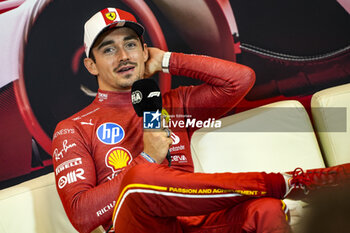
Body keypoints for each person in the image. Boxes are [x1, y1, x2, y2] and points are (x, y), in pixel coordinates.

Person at [52, 7, 350, 233]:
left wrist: (167, 60)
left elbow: (241, 79)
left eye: (130, 44)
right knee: (138, 178)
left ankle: (279, 188)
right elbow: (82, 217)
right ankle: (288, 182)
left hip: (197, 224)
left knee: (267, 210)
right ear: (90, 65)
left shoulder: (173, 103)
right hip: (140, 227)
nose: (123, 55)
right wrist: (146, 158)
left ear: (144, 52)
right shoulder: (73, 128)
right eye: (108, 49)